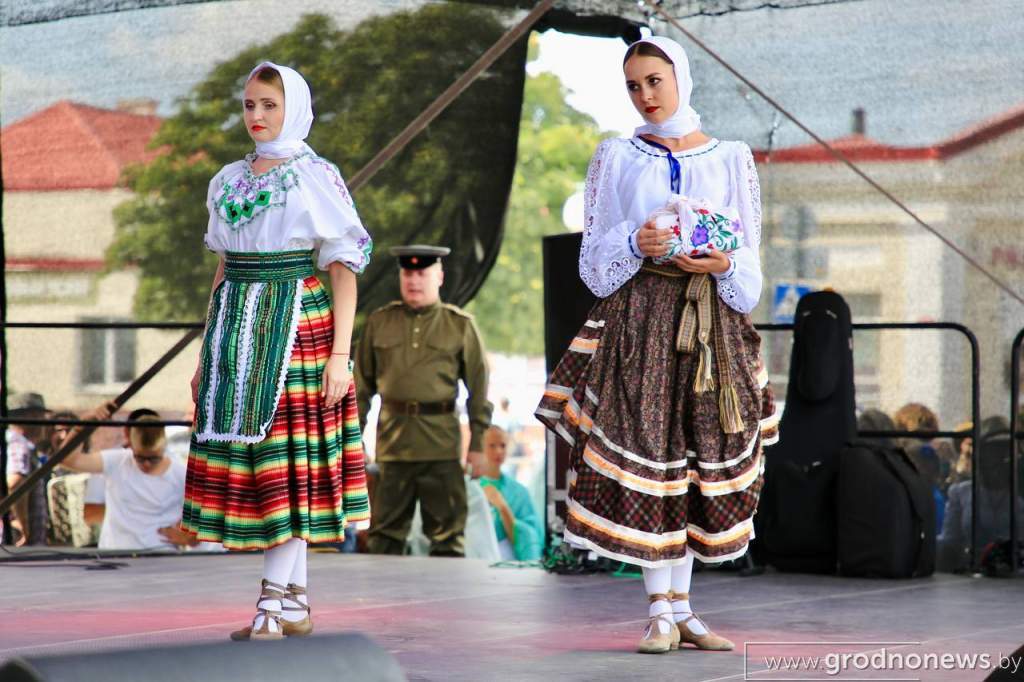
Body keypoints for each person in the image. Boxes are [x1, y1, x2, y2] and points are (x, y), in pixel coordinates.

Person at [534, 36, 777, 654]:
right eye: (634, 85)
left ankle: (685, 609)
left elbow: (748, 266)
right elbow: (593, 265)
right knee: (651, 451)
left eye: (654, 81)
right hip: (641, 315)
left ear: (680, 79)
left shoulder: (731, 157)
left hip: (708, 320)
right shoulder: (617, 156)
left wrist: (723, 262)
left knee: (695, 455)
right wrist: (632, 242)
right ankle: (659, 610)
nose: (645, 95)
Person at [180, 62, 372, 641]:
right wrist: (204, 355)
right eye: (249, 105)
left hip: (295, 321)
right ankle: (293, 604)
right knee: (266, 462)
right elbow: (221, 269)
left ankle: (271, 604)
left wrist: (341, 356)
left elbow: (344, 268)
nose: (257, 116)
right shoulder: (226, 179)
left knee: (287, 465)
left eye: (269, 104)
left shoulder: (315, 175)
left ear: (294, 108)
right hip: (237, 323)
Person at [355, 245, 493, 557]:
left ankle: (446, 606)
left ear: (439, 276)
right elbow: (360, 390)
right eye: (408, 273)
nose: (414, 280)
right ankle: (383, 604)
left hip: (441, 448)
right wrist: (355, 441)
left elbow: (479, 390)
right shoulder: (380, 323)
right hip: (392, 448)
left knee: (448, 539)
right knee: (383, 538)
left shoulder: (459, 325)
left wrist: (477, 445)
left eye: (422, 273)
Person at [60, 408, 191, 551]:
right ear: (131, 446)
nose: (146, 464)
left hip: (161, 556)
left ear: (163, 448)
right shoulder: (117, 461)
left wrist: (188, 536)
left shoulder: (180, 474)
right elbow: (68, 460)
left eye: (154, 458)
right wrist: (84, 425)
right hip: (116, 557)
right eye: (139, 458)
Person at [468, 426, 543, 561]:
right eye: (492, 446)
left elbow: (529, 537)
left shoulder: (519, 492)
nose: (498, 451)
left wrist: (502, 507)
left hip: (509, 561)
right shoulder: (470, 488)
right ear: (480, 448)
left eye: (503, 445)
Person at [4, 392, 50, 546]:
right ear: (31, 417)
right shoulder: (19, 446)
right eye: (41, 415)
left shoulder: (9, 443)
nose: (44, 421)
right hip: (18, 545)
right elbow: (15, 483)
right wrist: (23, 526)